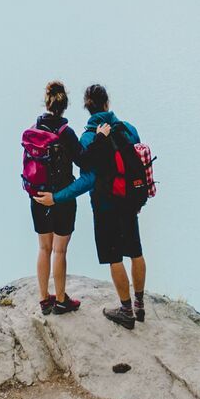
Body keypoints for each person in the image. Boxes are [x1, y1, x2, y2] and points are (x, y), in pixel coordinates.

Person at [44, 82, 152, 327]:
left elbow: (87, 179)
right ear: (107, 103)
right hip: (129, 201)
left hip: (105, 206)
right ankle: (140, 305)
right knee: (135, 251)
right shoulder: (128, 129)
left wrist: (58, 197)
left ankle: (126, 311)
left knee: (114, 257)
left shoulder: (89, 137)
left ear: (87, 107)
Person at [20, 81, 80, 316]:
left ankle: (44, 299)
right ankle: (62, 300)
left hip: (37, 196)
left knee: (43, 248)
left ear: (46, 102)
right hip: (61, 198)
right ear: (65, 106)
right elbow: (83, 160)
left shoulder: (34, 130)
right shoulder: (67, 134)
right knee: (60, 251)